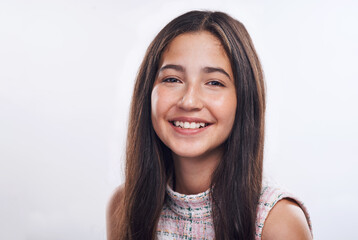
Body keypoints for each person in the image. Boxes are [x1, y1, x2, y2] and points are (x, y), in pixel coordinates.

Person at [107, 10, 313, 240]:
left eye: (214, 82)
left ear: (243, 99)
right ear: (148, 92)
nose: (189, 101)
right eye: (172, 79)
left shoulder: (277, 221)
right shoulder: (124, 205)